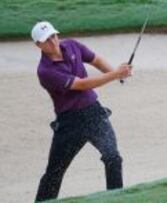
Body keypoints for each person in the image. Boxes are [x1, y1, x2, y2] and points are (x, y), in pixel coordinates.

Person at [31, 21, 131, 202]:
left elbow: (96, 60)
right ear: (38, 45)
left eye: (53, 36)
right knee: (54, 172)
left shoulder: (71, 45)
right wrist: (115, 74)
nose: (53, 42)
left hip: (94, 113)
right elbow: (81, 84)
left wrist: (118, 75)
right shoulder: (45, 71)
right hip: (69, 123)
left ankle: (115, 199)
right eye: (46, 40)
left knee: (113, 158)